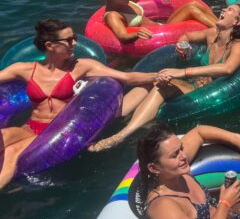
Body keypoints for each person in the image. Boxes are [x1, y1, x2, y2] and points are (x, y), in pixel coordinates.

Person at [0, 19, 159, 188]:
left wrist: (159, 75)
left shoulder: (81, 66)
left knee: (11, 153)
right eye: (68, 40)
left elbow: (127, 78)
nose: (74, 43)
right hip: (30, 127)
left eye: (74, 37)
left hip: (56, 132)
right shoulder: (24, 69)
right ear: (49, 45)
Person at [88, 5, 240, 151]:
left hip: (205, 90)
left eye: (230, 10)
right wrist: (182, 45)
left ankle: (121, 135)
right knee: (154, 79)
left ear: (237, 22)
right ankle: (111, 116)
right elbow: (186, 36)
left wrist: (183, 72)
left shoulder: (238, 46)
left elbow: (228, 68)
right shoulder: (212, 34)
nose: (223, 10)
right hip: (192, 83)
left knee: (162, 85)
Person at [99, 0, 216, 45]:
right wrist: (136, 34)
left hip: (162, 26)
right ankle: (223, 30)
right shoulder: (112, 15)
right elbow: (122, 36)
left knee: (194, 4)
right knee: (192, 9)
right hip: (159, 34)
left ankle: (222, 24)